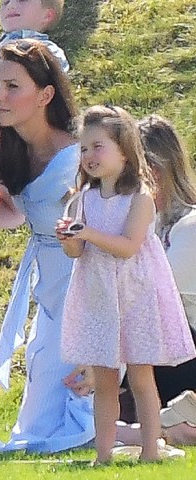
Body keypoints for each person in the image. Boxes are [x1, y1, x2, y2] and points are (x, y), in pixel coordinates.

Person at [56, 105, 196, 463]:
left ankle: (150, 450)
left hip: (137, 297)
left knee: (140, 376)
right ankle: (103, 454)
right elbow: (77, 253)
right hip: (101, 297)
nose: (88, 156)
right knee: (104, 382)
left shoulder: (140, 198)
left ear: (124, 149)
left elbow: (128, 246)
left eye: (97, 146)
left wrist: (86, 232)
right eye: (84, 148)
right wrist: (69, 238)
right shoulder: (83, 198)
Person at [0, 39, 95, 453]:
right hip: (47, 283)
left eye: (12, 86)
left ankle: (152, 433)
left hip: (85, 278)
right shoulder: (3, 138)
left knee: (69, 426)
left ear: (46, 94)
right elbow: (13, 212)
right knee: (37, 428)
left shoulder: (76, 155)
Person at [115, 114, 196, 446]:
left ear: (154, 173)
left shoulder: (189, 228)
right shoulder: (151, 226)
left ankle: (143, 430)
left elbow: (150, 302)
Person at [0, 0, 69, 139]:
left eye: (22, 0)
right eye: (5, 2)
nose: (11, 5)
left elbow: (45, 83)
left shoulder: (44, 50)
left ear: (47, 15)